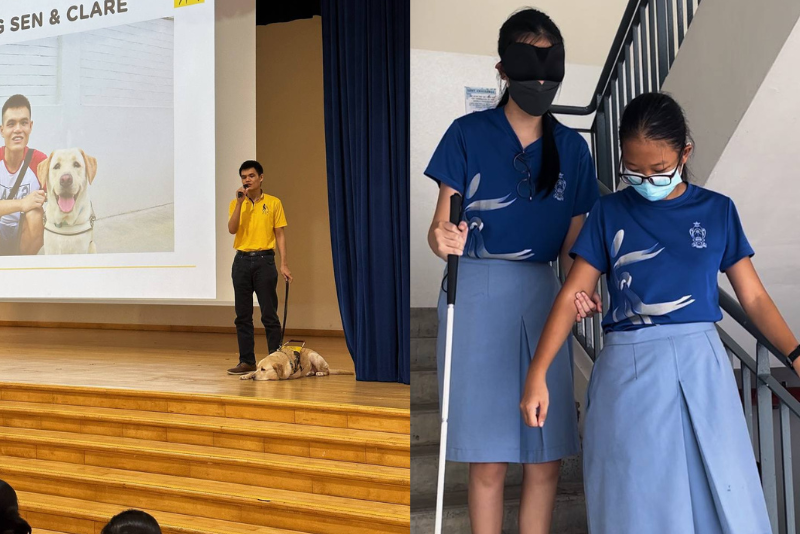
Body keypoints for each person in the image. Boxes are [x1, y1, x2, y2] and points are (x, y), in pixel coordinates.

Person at [520, 92, 800, 533]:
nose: (646, 178)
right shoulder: (607, 211)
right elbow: (573, 290)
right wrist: (537, 373)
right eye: (634, 169)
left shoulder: (717, 210)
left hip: (702, 367)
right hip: (629, 370)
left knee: (722, 491)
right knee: (637, 502)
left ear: (684, 153)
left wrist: (795, 353)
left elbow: (755, 299)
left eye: (658, 169)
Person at [425, 8, 600, 533]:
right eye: (530, 67)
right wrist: (441, 238)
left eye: (552, 70)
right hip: (475, 292)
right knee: (489, 455)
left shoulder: (573, 148)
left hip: (546, 297)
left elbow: (576, 248)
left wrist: (582, 291)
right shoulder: (466, 133)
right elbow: (441, 226)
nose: (542, 82)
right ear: (503, 70)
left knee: (545, 455)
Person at [226, 159, 292, 375]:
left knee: (269, 314)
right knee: (242, 315)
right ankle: (247, 361)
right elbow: (232, 229)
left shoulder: (273, 203)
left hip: (264, 261)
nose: (247, 180)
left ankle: (275, 360)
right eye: (244, 177)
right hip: (242, 261)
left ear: (261, 178)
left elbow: (279, 234)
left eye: (251, 176)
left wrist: (284, 264)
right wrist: (239, 203)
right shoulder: (237, 203)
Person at [0, 94, 46, 256]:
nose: (18, 129)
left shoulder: (40, 162)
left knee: (36, 215)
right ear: (2, 130)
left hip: (23, 233)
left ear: (30, 127)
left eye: (23, 123)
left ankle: (23, 265)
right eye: (11, 124)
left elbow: (58, 199)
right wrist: (22, 204)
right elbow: (24, 204)